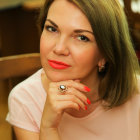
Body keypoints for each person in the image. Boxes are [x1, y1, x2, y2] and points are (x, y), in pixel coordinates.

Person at [6, 0, 140, 140]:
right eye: (52, 29)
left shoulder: (137, 96)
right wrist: (48, 128)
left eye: (82, 37)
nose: (59, 49)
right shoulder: (25, 100)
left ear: (105, 53)